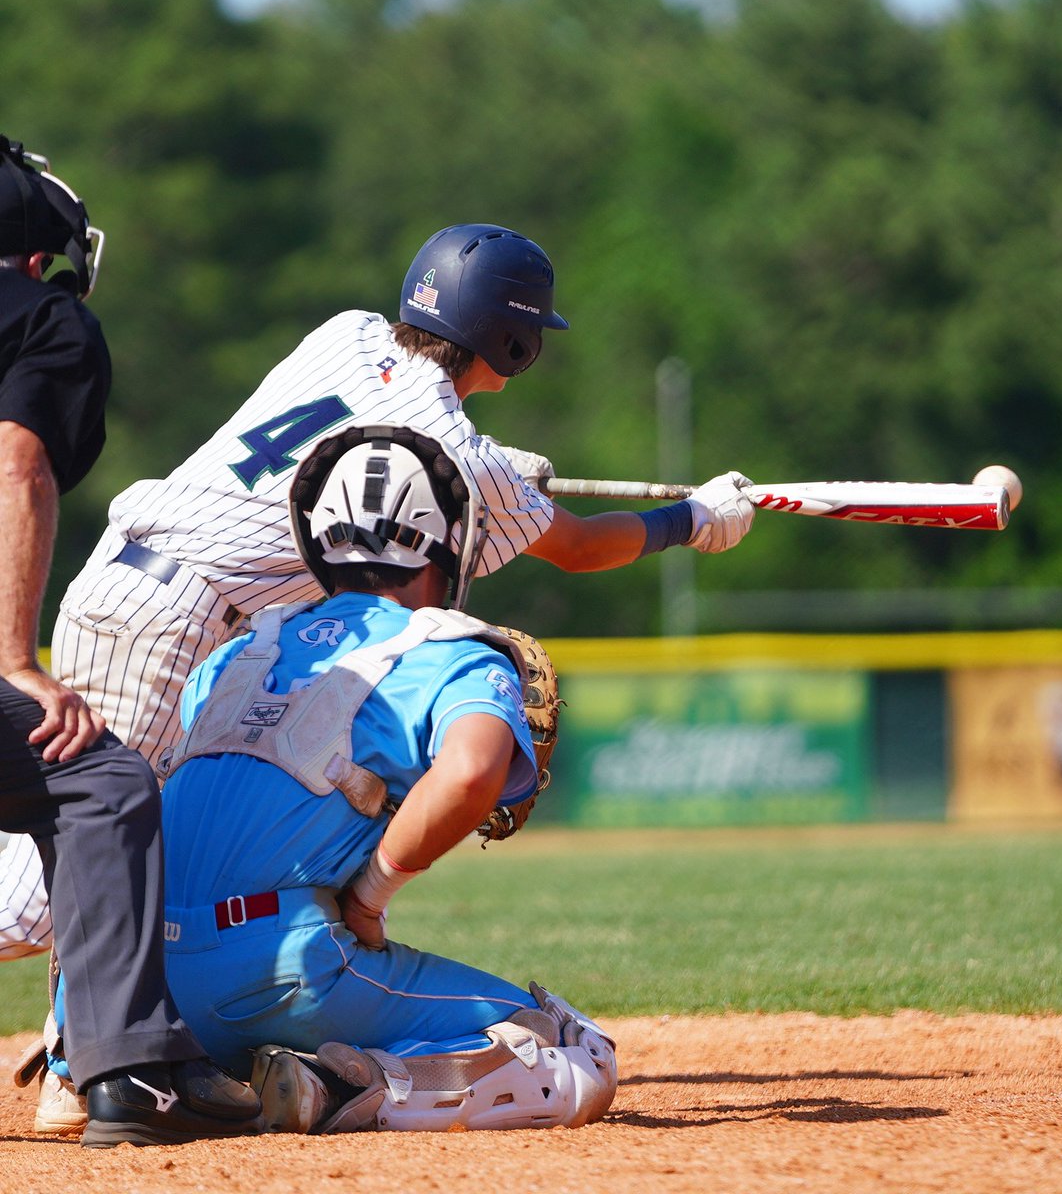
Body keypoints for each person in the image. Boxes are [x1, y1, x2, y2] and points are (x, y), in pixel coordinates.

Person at [12, 221, 753, 1125]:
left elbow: (350, 437)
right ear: (514, 344)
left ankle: (93, 1050)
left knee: (121, 853)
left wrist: (494, 466)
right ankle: (78, 1063)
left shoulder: (348, 332)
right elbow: (580, 545)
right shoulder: (465, 462)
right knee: (76, 868)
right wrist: (695, 517)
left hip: (132, 583)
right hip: (178, 621)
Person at [157, 424, 617, 1133]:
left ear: (316, 541)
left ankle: (106, 1073)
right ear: (450, 543)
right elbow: (470, 773)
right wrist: (370, 897)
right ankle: (333, 1089)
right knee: (574, 1051)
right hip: (285, 974)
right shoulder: (447, 650)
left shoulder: (240, 652)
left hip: (146, 990)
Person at [0, 133, 263, 1148]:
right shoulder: (47, 316)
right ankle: (125, 1077)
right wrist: (17, 660)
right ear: (36, 255)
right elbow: (17, 466)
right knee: (96, 780)